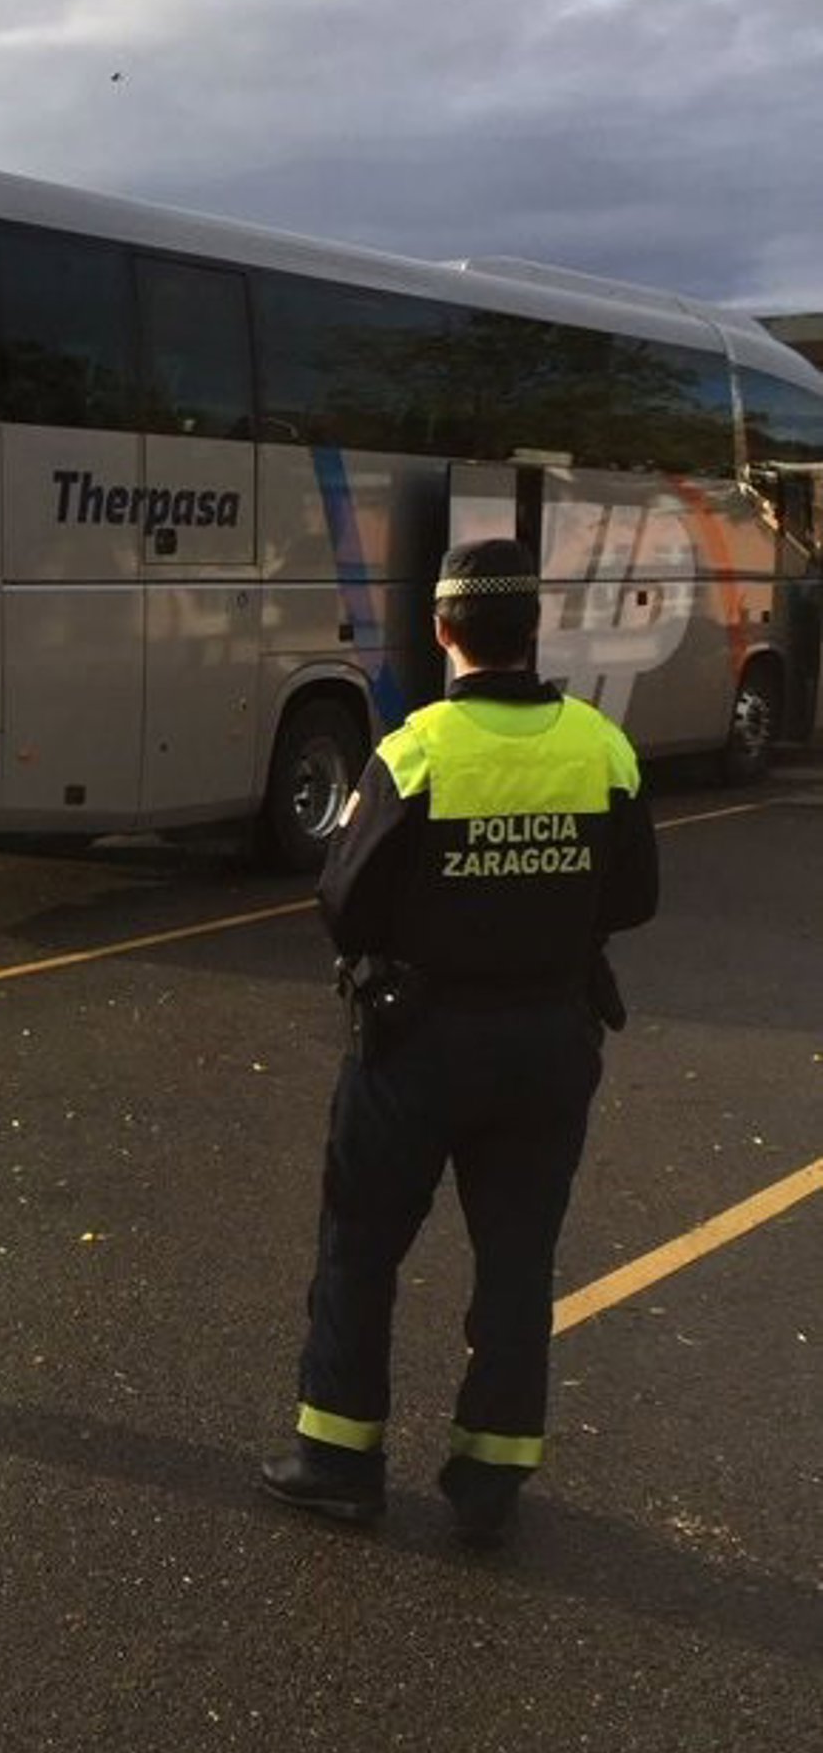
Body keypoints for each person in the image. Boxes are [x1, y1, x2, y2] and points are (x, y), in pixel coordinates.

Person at [260, 537, 659, 1546]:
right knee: (518, 1260)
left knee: (362, 1247)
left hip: (419, 1042)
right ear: (533, 627)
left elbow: (345, 903)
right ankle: (490, 1480)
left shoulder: (417, 751)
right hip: (550, 1040)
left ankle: (338, 1462)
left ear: (444, 630)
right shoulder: (602, 748)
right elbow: (636, 896)